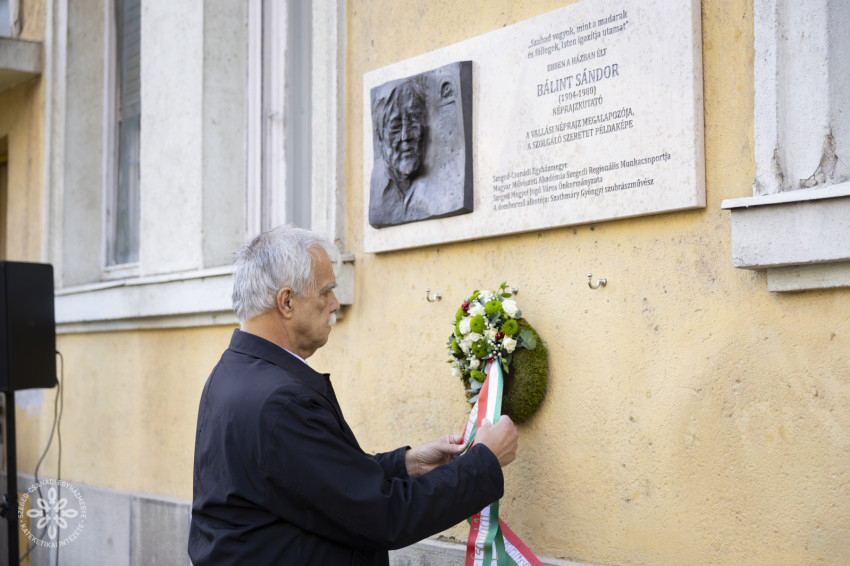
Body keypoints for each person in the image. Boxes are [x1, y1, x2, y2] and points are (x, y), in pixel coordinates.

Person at [188, 225, 519, 565]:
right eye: (326, 291)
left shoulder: (233, 372)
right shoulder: (280, 401)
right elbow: (383, 515)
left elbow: (316, 481)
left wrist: (407, 464)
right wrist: (484, 462)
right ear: (287, 302)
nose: (335, 303)